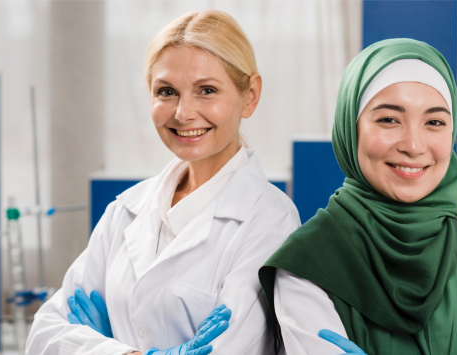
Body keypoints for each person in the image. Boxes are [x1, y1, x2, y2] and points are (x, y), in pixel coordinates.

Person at [259, 39, 457, 355]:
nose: (413, 145)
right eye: (389, 119)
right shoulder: (308, 265)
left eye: (434, 122)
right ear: (350, 129)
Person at [26, 10, 300, 355]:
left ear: (250, 95)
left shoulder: (270, 220)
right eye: (167, 91)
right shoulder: (127, 209)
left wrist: (94, 347)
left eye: (207, 90)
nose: (183, 113)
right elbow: (43, 334)